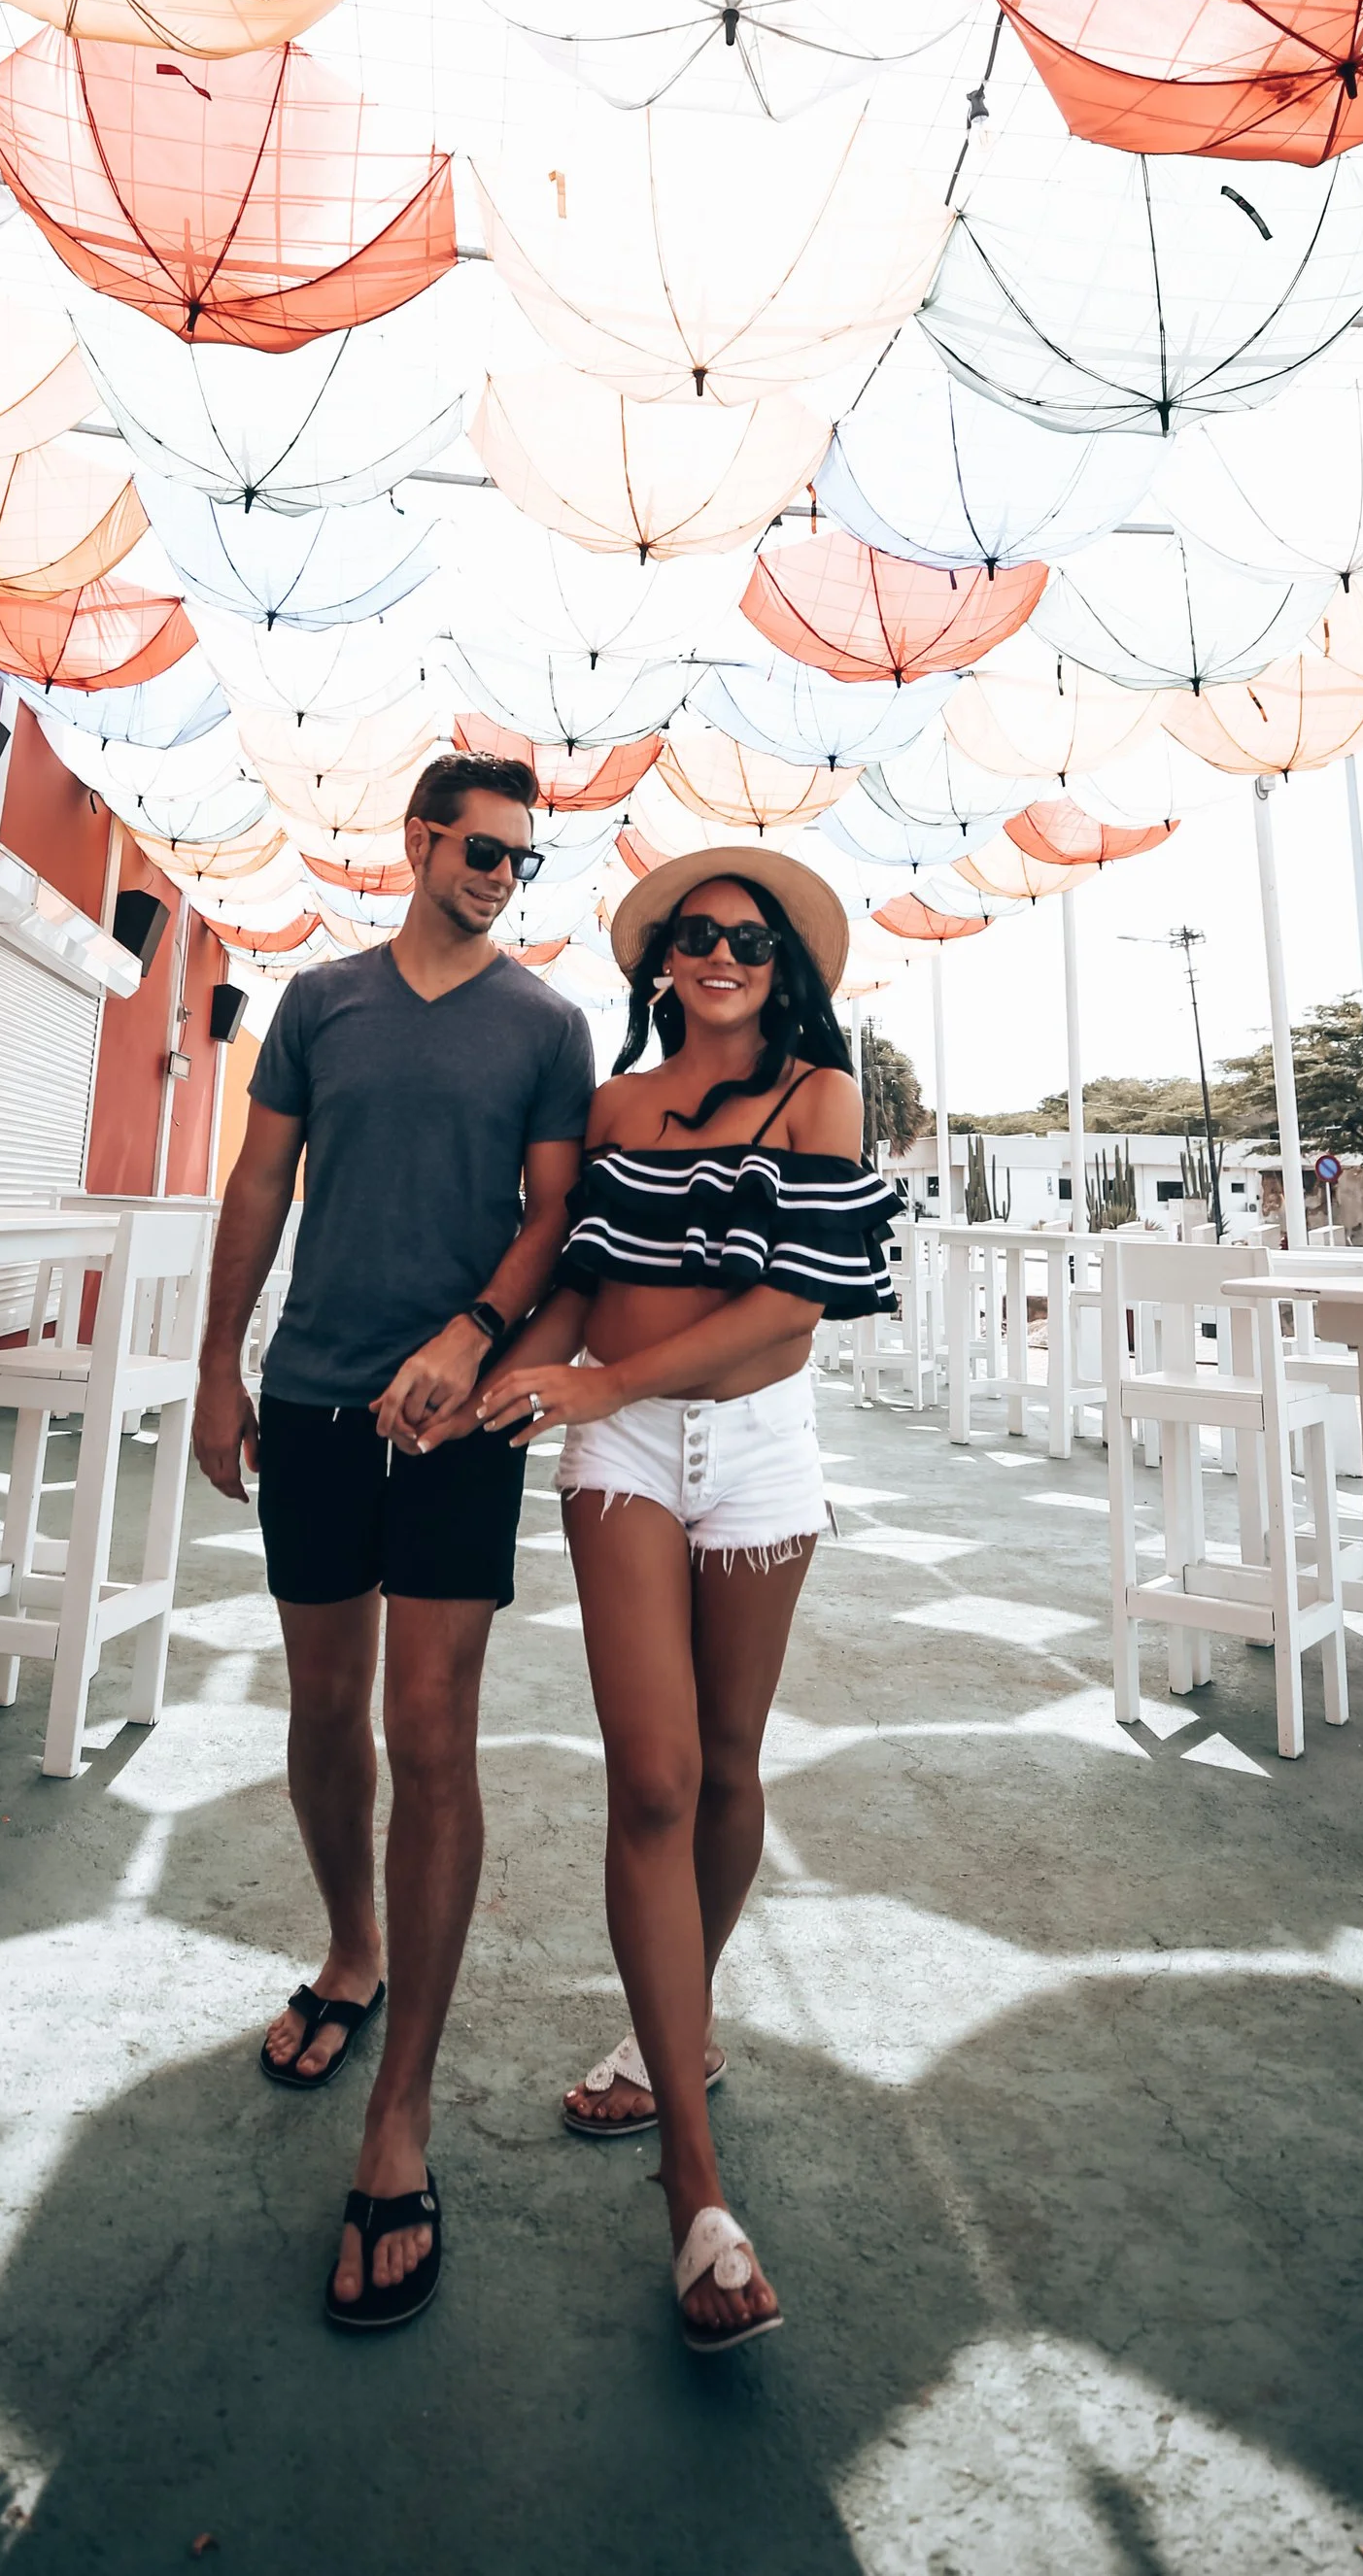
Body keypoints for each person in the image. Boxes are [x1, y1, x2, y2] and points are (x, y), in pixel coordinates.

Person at [453, 847, 897, 2355]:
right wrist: (522, 1367)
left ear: (785, 971)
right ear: (659, 965)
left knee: (727, 1764)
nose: (719, 954)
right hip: (623, 1446)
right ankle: (694, 2196)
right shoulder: (618, 1108)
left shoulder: (825, 1099)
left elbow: (784, 1323)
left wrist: (600, 1375)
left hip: (756, 1448)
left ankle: (671, 2040)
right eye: (695, 935)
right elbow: (581, 1270)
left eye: (749, 942)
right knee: (653, 1778)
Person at [192, 752, 594, 2333]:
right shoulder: (321, 1000)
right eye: (484, 847)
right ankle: (350, 1950)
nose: (502, 873)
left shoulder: (548, 1026)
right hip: (307, 1395)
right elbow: (260, 1177)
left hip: (456, 1416)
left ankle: (402, 2111)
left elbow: (554, 1213)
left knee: (432, 1733)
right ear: (419, 837)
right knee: (320, 1716)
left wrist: (476, 1335)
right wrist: (218, 1363)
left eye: (523, 858)